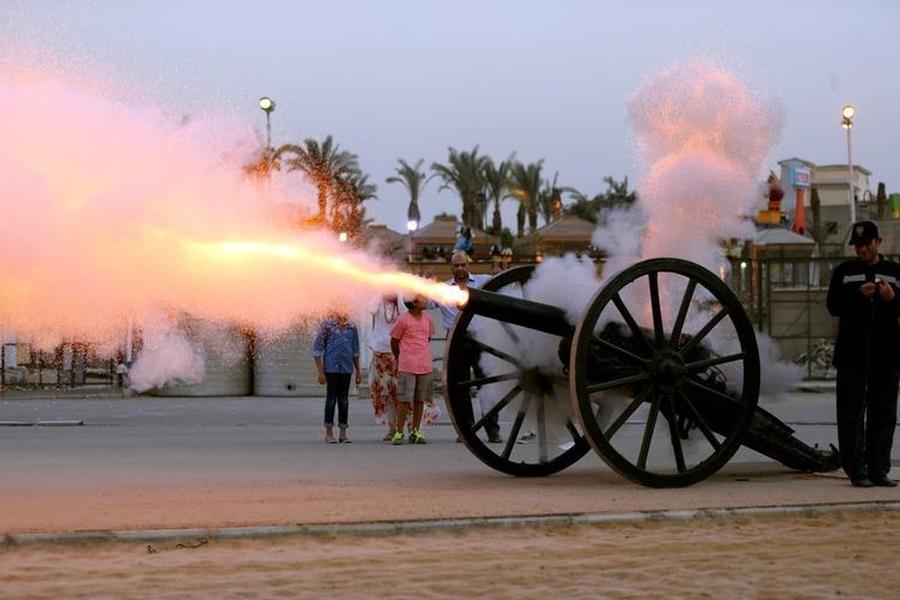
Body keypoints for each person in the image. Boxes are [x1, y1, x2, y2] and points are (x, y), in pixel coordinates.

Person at [826, 220, 900, 487]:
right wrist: (857, 296)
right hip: (852, 355)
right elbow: (833, 306)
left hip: (887, 356)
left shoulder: (894, 272)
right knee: (851, 415)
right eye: (857, 246)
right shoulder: (844, 272)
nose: (862, 250)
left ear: (878, 242)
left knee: (884, 415)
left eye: (866, 245)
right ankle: (857, 469)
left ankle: (879, 468)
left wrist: (892, 298)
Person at [440, 250, 502, 443]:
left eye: (463, 265)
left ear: (468, 265)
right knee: (460, 388)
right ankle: (467, 430)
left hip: (480, 338)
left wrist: (500, 274)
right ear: (451, 267)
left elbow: (501, 285)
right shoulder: (442, 289)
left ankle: (493, 430)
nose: (460, 269)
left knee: (487, 385)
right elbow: (421, 302)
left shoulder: (483, 281)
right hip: (456, 340)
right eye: (456, 265)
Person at [390, 294, 435, 445]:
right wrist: (401, 357)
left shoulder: (428, 319)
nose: (426, 299)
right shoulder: (403, 319)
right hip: (407, 365)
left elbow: (427, 338)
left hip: (424, 365)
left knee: (419, 399)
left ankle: (415, 431)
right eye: (422, 298)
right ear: (413, 303)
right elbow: (394, 341)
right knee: (403, 400)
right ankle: (399, 432)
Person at [312, 311, 361, 444]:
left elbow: (355, 350)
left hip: (346, 368)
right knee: (331, 398)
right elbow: (317, 350)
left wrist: (358, 371)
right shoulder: (327, 326)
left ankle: (343, 433)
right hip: (331, 367)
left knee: (344, 400)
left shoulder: (351, 327)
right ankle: (329, 432)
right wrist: (320, 372)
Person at [368, 294, 404, 441]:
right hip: (380, 353)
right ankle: (391, 428)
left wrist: (398, 296)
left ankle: (404, 427)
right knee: (386, 394)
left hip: (397, 353)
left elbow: (405, 313)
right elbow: (369, 308)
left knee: (400, 393)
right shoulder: (377, 302)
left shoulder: (399, 303)